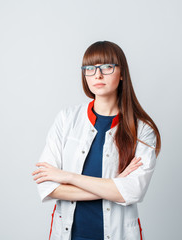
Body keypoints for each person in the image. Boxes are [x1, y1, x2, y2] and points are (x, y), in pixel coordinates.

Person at [32, 40, 161, 240]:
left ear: (122, 74)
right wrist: (115, 185)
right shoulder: (67, 119)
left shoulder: (142, 129)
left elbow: (133, 191)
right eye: (90, 68)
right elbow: (47, 185)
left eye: (107, 67)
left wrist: (68, 177)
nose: (97, 75)